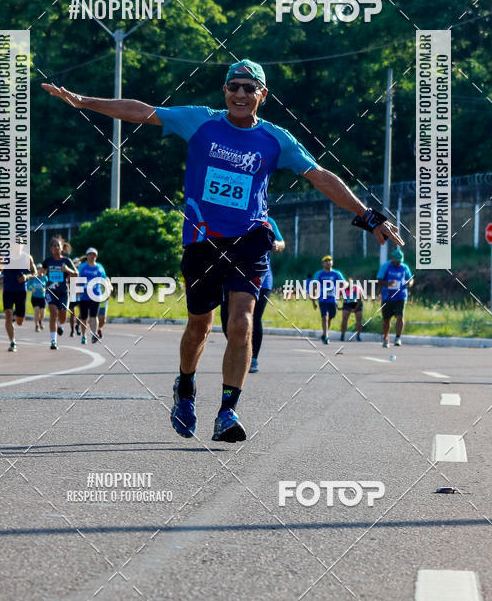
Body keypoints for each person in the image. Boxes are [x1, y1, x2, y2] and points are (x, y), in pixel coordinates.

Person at [42, 59, 402, 442]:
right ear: (224, 91)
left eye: (250, 88)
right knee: (200, 325)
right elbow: (139, 110)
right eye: (234, 87)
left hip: (250, 240)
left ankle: (227, 412)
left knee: (241, 322)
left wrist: (368, 215)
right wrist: (83, 101)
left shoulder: (276, 139)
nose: (241, 94)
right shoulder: (200, 121)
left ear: (263, 94)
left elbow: (320, 176)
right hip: (202, 241)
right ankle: (185, 388)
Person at [220, 216, 285, 373]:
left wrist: (275, 245)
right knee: (226, 318)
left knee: (253, 317)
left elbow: (282, 243)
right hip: (230, 276)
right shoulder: (231, 216)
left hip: (261, 278)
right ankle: (240, 349)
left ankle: (253, 357)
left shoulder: (268, 220)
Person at [41, 237, 78, 350]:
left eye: (58, 246)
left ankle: (59, 324)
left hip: (63, 292)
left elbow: (76, 274)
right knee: (53, 313)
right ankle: (53, 341)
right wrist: (39, 274)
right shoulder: (47, 261)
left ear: (61, 248)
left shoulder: (66, 261)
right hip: (50, 291)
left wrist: (67, 270)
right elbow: (41, 272)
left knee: (62, 317)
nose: (56, 247)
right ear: (51, 249)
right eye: (53, 246)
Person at [377, 248, 414, 347]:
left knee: (400, 316)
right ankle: (386, 338)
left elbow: (410, 279)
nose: (398, 264)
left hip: (401, 295)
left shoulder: (404, 267)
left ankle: (398, 337)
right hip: (387, 296)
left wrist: (409, 283)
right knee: (386, 319)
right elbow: (379, 280)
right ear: (392, 258)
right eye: (396, 261)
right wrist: (387, 283)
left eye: (400, 261)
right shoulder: (385, 266)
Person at [0, 256, 36, 351]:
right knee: (8, 315)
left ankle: (15, 315)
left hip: (21, 291)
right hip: (8, 290)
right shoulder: (4, 258)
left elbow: (34, 272)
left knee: (20, 321)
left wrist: (26, 277)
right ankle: (12, 342)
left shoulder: (27, 258)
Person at [76, 247, 109, 344]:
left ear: (96, 256)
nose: (92, 256)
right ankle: (83, 335)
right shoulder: (82, 267)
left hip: (96, 295)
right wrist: (76, 291)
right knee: (84, 317)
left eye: (94, 255)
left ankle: (94, 334)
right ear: (87, 256)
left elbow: (104, 280)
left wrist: (106, 291)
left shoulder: (99, 267)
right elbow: (77, 279)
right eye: (90, 254)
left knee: (94, 316)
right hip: (84, 296)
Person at [310, 255, 345, 344]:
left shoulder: (337, 273)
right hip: (322, 299)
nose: (328, 262)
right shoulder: (319, 274)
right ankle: (326, 337)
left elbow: (344, 283)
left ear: (332, 262)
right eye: (326, 261)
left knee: (330, 317)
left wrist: (344, 288)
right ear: (323, 264)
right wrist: (313, 301)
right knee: (325, 317)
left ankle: (324, 333)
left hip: (333, 299)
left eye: (330, 260)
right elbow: (314, 287)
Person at [26, 264, 48, 331]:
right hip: (35, 297)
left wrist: (44, 289)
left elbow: (48, 286)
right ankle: (36, 326)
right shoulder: (33, 277)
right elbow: (28, 285)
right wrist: (31, 289)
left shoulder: (45, 277)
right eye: (38, 268)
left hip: (42, 298)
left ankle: (40, 321)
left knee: (42, 313)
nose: (39, 270)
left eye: (40, 268)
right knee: (37, 311)